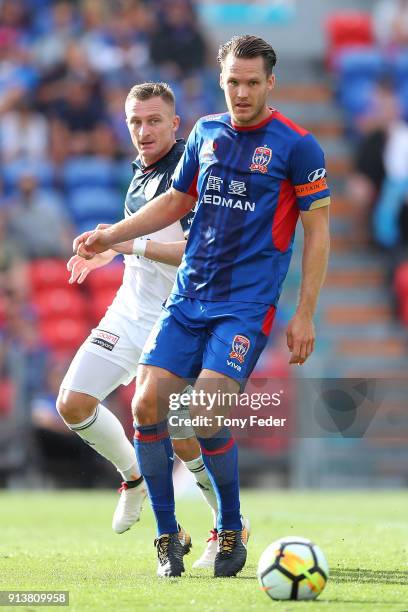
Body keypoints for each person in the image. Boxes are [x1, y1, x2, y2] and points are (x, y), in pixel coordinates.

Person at [74, 35, 331, 578]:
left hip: (244, 305)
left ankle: (231, 526)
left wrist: (305, 311)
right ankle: (168, 538)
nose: (241, 92)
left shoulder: (297, 146)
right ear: (221, 81)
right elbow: (175, 200)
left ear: (270, 84)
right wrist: (110, 236)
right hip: (190, 295)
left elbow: (319, 233)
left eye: (252, 82)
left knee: (204, 411)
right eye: (233, 82)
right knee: (147, 405)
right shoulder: (208, 134)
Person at [57, 82, 221, 567]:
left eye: (154, 121)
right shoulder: (139, 174)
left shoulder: (191, 175)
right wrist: (110, 248)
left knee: (181, 431)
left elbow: (196, 252)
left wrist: (125, 244)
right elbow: (142, 232)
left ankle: (228, 522)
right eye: (135, 121)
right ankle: (133, 477)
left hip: (177, 318)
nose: (144, 130)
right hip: (129, 312)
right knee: (73, 402)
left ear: (175, 124)